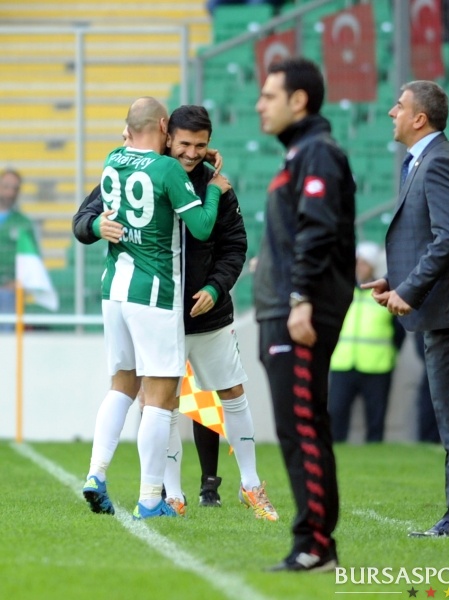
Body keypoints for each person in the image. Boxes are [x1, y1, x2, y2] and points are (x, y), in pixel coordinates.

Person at [74, 106, 278, 521]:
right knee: (160, 401)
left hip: (203, 314)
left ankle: (251, 485)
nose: (192, 152)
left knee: (231, 393)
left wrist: (215, 287)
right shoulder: (159, 171)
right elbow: (83, 218)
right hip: (159, 309)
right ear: (167, 136)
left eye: (201, 145)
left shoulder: (210, 179)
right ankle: (170, 494)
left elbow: (234, 245)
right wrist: (95, 225)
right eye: (184, 143)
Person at [362, 80, 449, 538]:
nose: (392, 112)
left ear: (419, 118)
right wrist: (396, 280)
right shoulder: (427, 159)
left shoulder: (439, 160)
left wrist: (411, 290)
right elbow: (431, 237)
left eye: (399, 106)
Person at [254, 57, 356, 571]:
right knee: (297, 428)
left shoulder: (317, 151)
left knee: (303, 427)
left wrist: (299, 299)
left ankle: (315, 542)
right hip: (282, 308)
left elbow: (317, 230)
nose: (259, 105)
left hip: (297, 312)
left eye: (269, 96)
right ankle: (314, 540)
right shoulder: (299, 153)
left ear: (299, 101)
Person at [328, 241, 405, 443]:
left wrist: (390, 354)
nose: (358, 267)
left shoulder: (385, 294)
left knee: (375, 420)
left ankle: (375, 454)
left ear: (372, 267)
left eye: (363, 263)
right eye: (356, 262)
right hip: (342, 363)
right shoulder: (341, 290)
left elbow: (399, 332)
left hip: (377, 366)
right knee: (336, 416)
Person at [0, 169, 34, 330]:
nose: (10, 192)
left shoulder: (23, 223)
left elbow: (32, 259)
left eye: (15, 188)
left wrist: (19, 282)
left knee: (7, 338)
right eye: (6, 186)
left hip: (9, 291)